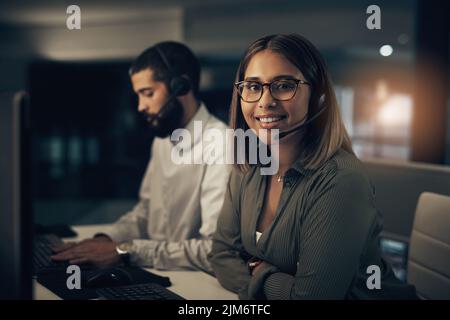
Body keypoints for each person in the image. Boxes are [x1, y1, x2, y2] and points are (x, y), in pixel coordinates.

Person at [208, 34, 417, 299]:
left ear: (317, 95)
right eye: (252, 86)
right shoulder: (248, 168)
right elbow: (222, 255)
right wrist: (269, 281)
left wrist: (260, 274)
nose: (264, 101)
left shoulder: (340, 179)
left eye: (284, 85)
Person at [52, 41, 231, 273]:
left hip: (195, 284)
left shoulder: (222, 143)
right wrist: (107, 239)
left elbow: (215, 250)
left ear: (181, 87)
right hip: (153, 269)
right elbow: (146, 212)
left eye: (147, 93)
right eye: (138, 95)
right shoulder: (162, 140)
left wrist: (127, 251)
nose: (140, 106)